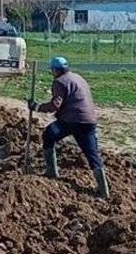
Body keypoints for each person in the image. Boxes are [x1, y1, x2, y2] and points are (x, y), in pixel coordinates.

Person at [28, 56, 110, 199]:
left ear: (56, 70)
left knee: (48, 134)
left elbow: (55, 105)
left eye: (52, 70)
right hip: (88, 121)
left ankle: (51, 171)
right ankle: (104, 191)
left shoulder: (60, 82)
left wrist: (36, 107)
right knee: (92, 154)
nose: (52, 73)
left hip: (72, 121)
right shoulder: (78, 78)